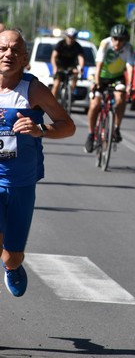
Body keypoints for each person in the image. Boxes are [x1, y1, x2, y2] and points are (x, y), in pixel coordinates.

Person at [0, 28, 75, 297]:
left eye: (15, 50)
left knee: (12, 256)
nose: (8, 54)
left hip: (21, 184)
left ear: (24, 58)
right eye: (3, 49)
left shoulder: (33, 89)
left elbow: (68, 126)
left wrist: (40, 129)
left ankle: (13, 268)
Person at [85, 23, 134, 152]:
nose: (118, 42)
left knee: (120, 97)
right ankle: (91, 134)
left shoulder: (129, 48)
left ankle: (116, 128)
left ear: (125, 40)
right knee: (95, 104)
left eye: (121, 39)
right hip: (100, 76)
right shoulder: (105, 43)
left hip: (117, 77)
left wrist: (130, 85)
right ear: (111, 38)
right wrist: (97, 83)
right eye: (115, 38)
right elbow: (99, 64)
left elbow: (130, 67)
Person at [51, 27, 85, 100]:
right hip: (60, 65)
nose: (70, 39)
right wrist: (55, 67)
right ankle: (52, 101)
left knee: (76, 73)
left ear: (75, 38)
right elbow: (53, 57)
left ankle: (71, 92)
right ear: (66, 36)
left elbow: (81, 58)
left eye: (73, 37)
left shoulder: (77, 46)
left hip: (71, 66)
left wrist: (81, 68)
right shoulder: (60, 44)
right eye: (69, 37)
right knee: (56, 84)